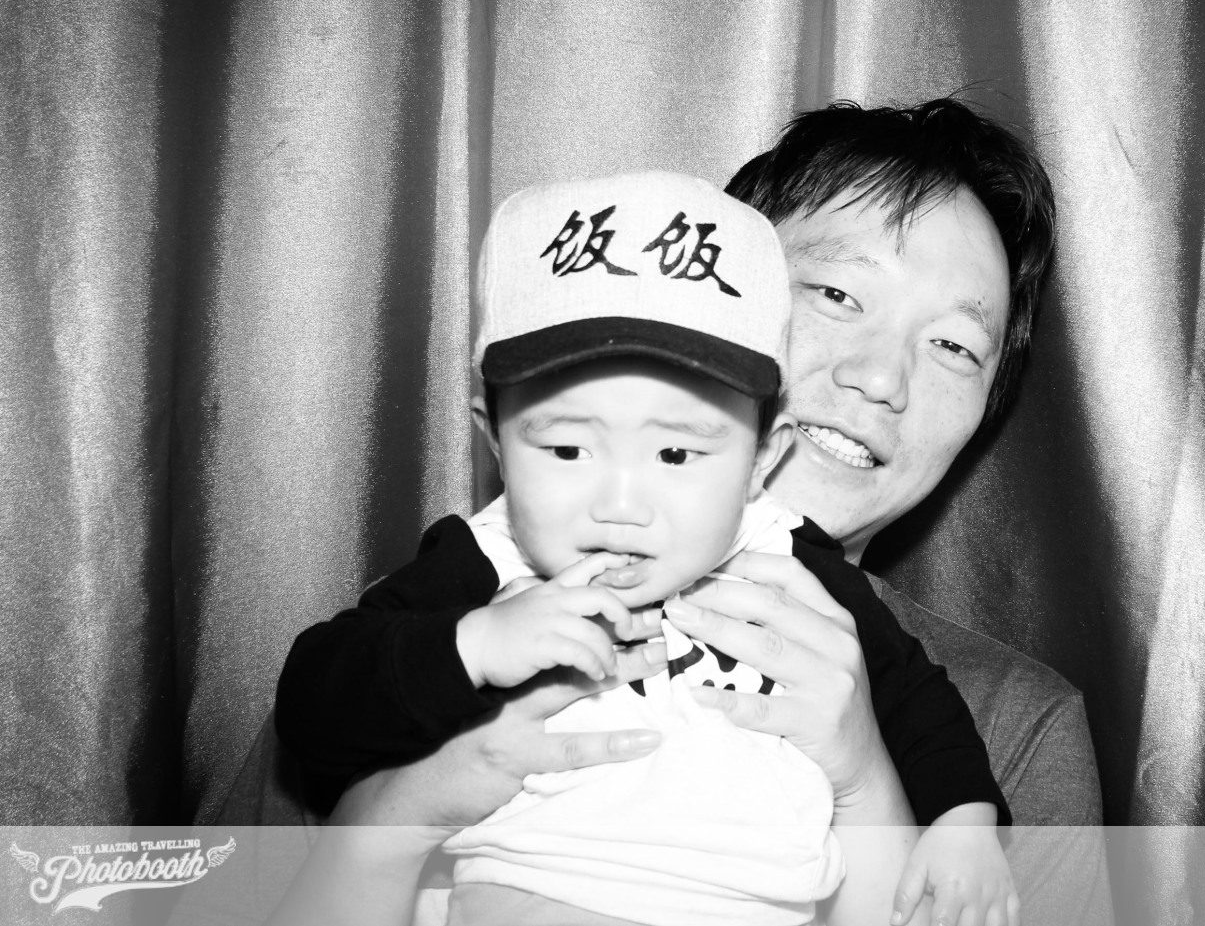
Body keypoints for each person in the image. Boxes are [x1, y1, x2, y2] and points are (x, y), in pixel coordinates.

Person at [273, 171, 1019, 926]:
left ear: (761, 457)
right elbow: (315, 697)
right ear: (495, 439)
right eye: (568, 448)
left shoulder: (785, 554)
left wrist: (964, 821)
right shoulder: (490, 557)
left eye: (676, 453)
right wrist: (473, 644)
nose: (621, 502)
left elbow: (915, 696)